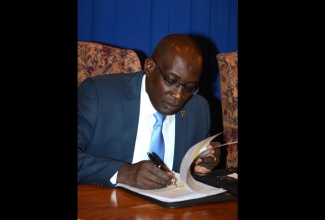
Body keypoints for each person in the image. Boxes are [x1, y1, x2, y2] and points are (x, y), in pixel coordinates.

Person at [78, 34, 221, 189]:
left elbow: (192, 171)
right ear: (149, 67)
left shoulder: (198, 109)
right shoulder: (99, 96)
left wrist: (204, 163)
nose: (179, 95)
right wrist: (122, 173)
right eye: (171, 81)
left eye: (189, 87)